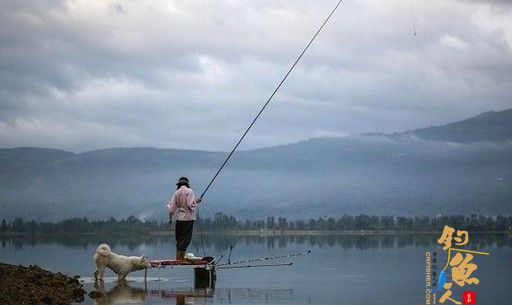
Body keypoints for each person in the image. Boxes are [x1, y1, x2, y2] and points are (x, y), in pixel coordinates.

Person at [167, 176, 202, 260]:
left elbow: (172, 208)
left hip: (179, 219)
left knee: (179, 238)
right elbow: (190, 205)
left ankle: (179, 256)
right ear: (187, 184)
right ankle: (181, 258)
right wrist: (197, 201)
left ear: (179, 184)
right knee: (186, 238)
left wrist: (170, 218)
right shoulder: (190, 191)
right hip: (188, 219)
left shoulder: (176, 193)